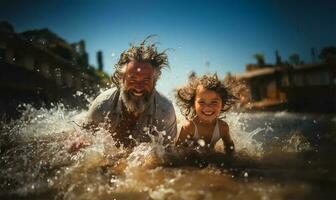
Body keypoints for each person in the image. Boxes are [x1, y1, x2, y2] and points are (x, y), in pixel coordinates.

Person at [83, 38, 177, 148]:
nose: (138, 88)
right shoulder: (102, 106)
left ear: (154, 82)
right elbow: (84, 145)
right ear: (121, 79)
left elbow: (169, 157)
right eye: (132, 79)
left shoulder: (165, 111)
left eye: (146, 80)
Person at [175, 74, 235, 154]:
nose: (207, 107)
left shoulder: (223, 128)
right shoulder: (189, 127)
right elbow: (176, 153)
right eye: (202, 102)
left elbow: (230, 149)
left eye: (214, 102)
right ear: (193, 105)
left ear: (222, 104)